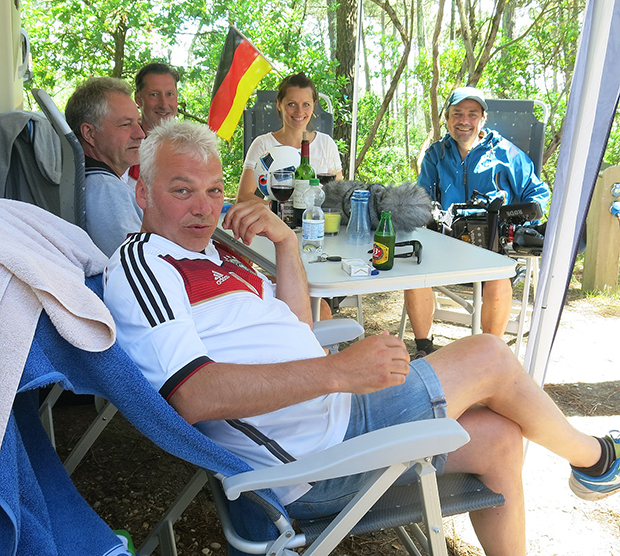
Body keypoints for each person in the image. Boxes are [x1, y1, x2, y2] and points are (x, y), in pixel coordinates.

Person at [103, 120, 619, 556]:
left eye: (214, 190)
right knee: (488, 353)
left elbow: (297, 326)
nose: (204, 207)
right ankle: (597, 459)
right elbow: (192, 395)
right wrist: (338, 371)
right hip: (309, 463)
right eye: (182, 190)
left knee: (501, 440)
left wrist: (285, 242)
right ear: (143, 191)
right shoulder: (144, 263)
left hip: (335, 414)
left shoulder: (217, 254)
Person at [404, 87, 550, 357]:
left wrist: (515, 217)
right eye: (457, 113)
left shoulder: (507, 153)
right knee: (415, 274)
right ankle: (424, 348)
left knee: (498, 279)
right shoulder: (437, 155)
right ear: (446, 118)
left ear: (483, 118)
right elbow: (421, 197)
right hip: (447, 243)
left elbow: (538, 196)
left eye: (472, 114)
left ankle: (489, 355)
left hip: (491, 245)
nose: (464, 120)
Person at [65, 77, 145, 257]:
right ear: (89, 133)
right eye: (126, 124)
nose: (140, 134)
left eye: (138, 123)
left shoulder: (79, 180)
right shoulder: (106, 191)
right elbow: (134, 265)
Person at [236, 72, 343, 203]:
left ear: (313, 106)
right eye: (291, 104)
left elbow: (338, 195)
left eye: (306, 104)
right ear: (278, 104)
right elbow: (243, 196)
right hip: (273, 219)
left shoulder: (326, 144)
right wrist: (277, 210)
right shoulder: (263, 144)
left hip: (316, 219)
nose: (299, 111)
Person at [134, 62, 180, 136]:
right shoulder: (125, 144)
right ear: (138, 98)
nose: (164, 104)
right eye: (154, 95)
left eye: (169, 94)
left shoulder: (189, 143)